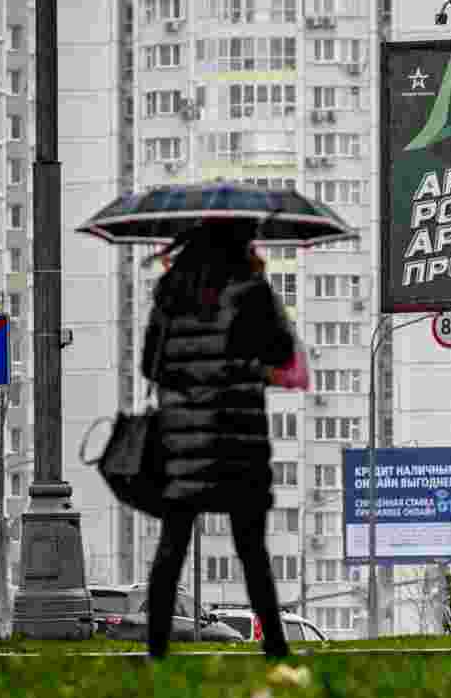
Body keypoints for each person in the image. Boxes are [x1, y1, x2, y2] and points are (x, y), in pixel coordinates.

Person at [139, 223, 295, 661]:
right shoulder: (252, 292)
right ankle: (277, 648)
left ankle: (156, 651)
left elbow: (150, 366)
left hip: (185, 437)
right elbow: (282, 354)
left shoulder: (171, 296)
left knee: (171, 546)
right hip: (238, 435)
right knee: (251, 549)